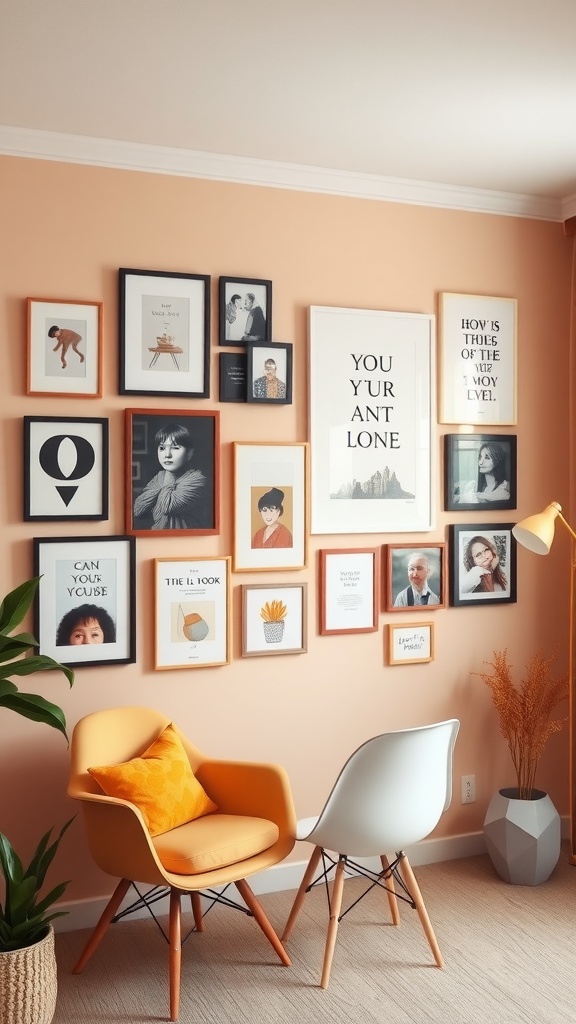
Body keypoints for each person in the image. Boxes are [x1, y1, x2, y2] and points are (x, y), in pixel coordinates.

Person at [133, 422, 206, 530]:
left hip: (188, 541)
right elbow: (138, 509)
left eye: (175, 448)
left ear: (189, 453)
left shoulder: (197, 479)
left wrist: (159, 492)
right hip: (156, 539)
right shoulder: (160, 476)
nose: (167, 455)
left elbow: (166, 506)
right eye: (162, 448)